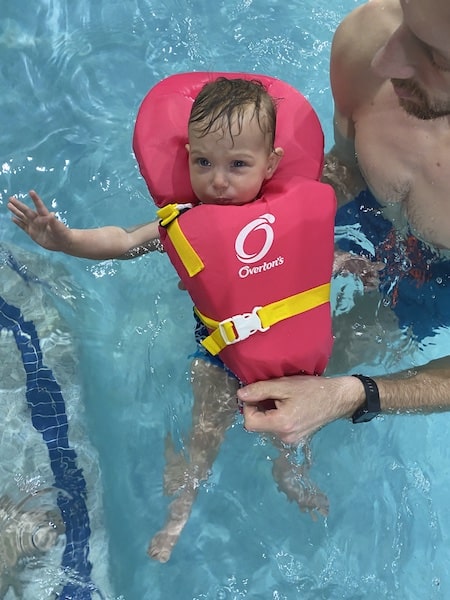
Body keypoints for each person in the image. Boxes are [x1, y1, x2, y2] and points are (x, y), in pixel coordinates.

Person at [11, 76, 361, 562]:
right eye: (203, 162)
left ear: (271, 164)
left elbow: (305, 258)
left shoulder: (294, 207)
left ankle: (290, 469)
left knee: (298, 423)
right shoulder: (182, 221)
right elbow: (121, 240)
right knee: (205, 427)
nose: (217, 180)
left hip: (299, 356)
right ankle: (184, 504)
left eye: (238, 165)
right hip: (219, 349)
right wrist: (63, 241)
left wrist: (346, 261)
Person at [237, 0, 450, 445]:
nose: (385, 59)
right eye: (407, 23)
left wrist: (353, 394)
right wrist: (253, 222)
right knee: (242, 354)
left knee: (323, 365)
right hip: (367, 207)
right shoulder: (367, 37)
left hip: (436, 279)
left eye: (433, 55)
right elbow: (344, 169)